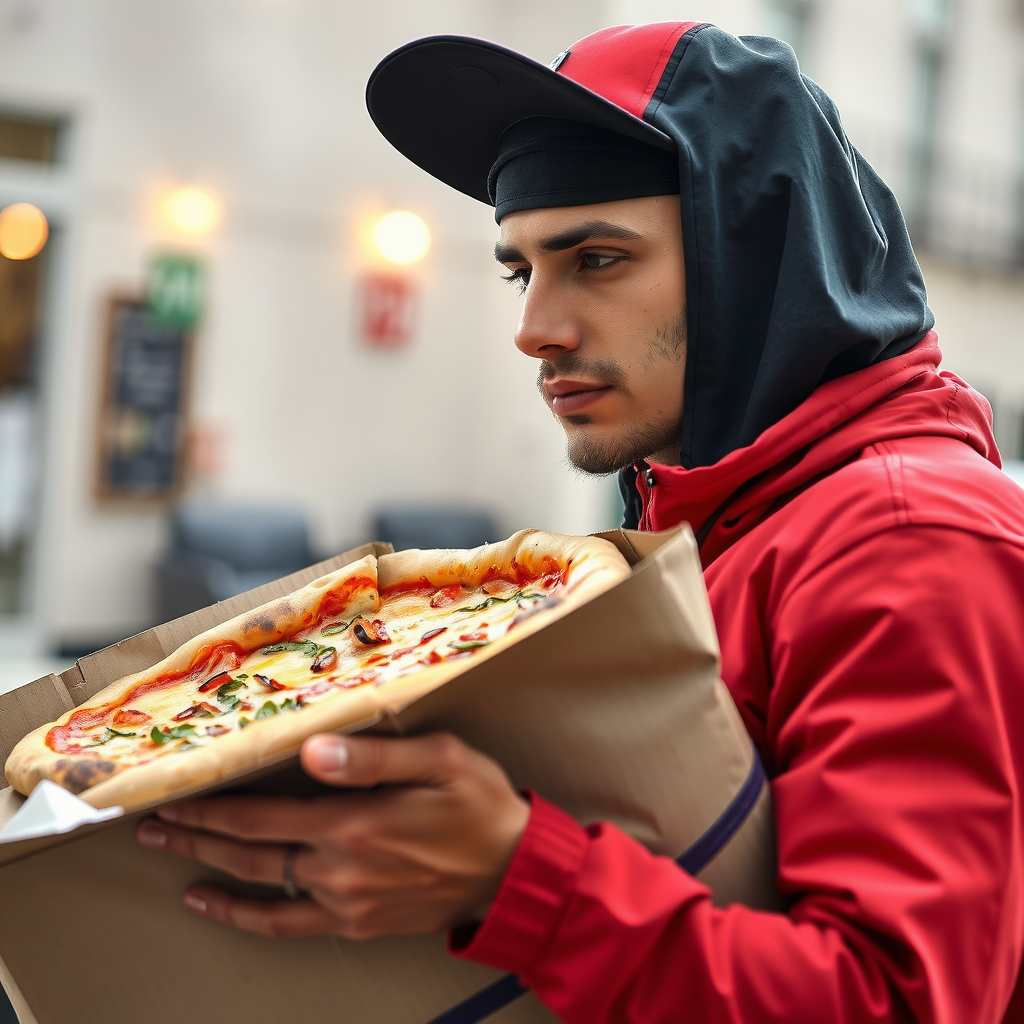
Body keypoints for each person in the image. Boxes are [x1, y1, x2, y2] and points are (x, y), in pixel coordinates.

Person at [135, 22, 1024, 1023]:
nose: (533, 328)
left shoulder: (907, 539)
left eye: (596, 258)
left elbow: (895, 1003)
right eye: (521, 268)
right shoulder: (710, 513)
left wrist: (515, 880)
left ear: (754, 263)